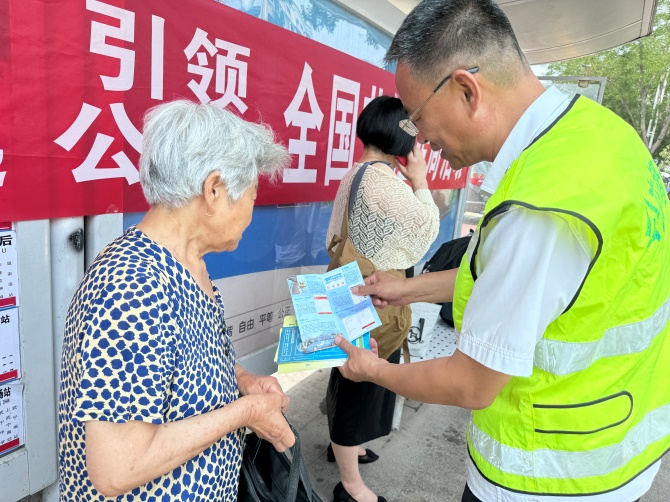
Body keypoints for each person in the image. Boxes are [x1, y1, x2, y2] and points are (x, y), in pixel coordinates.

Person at [333, 1, 670, 502]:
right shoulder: (604, 137)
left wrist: (374, 371)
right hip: (619, 443)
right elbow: (520, 282)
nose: (420, 139)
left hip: (547, 474)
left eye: (417, 119)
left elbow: (471, 383)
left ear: (466, 90)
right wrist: (407, 289)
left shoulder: (540, 208)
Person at [58, 100, 296, 501]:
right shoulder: (132, 287)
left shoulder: (188, 265)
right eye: (252, 196)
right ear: (214, 190)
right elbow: (118, 467)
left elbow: (184, 366)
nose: (251, 213)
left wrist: (242, 381)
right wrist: (248, 411)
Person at [324, 95, 439, 502]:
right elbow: (427, 230)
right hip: (373, 298)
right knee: (361, 380)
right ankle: (350, 484)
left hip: (348, 288)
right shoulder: (384, 182)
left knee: (349, 371)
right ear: (401, 137)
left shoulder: (356, 173)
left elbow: (335, 236)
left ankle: (346, 448)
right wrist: (420, 180)